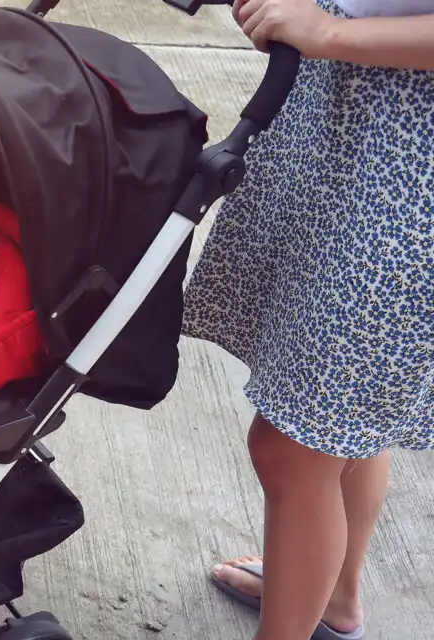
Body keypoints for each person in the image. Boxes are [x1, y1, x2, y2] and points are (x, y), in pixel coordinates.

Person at [182, 0, 433, 638]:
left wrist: (330, 31)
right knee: (339, 420)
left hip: (406, 165)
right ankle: (333, 596)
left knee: (291, 447)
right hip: (338, 117)